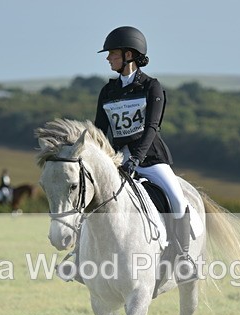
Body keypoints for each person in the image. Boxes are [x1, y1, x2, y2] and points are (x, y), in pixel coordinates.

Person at [94, 26, 197, 282]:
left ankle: (184, 257)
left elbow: (152, 128)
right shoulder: (107, 92)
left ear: (129, 55)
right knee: (92, 198)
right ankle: (77, 257)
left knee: (176, 198)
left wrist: (137, 160)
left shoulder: (152, 87)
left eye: (112, 54)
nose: (108, 58)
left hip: (150, 160)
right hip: (118, 160)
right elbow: (99, 131)